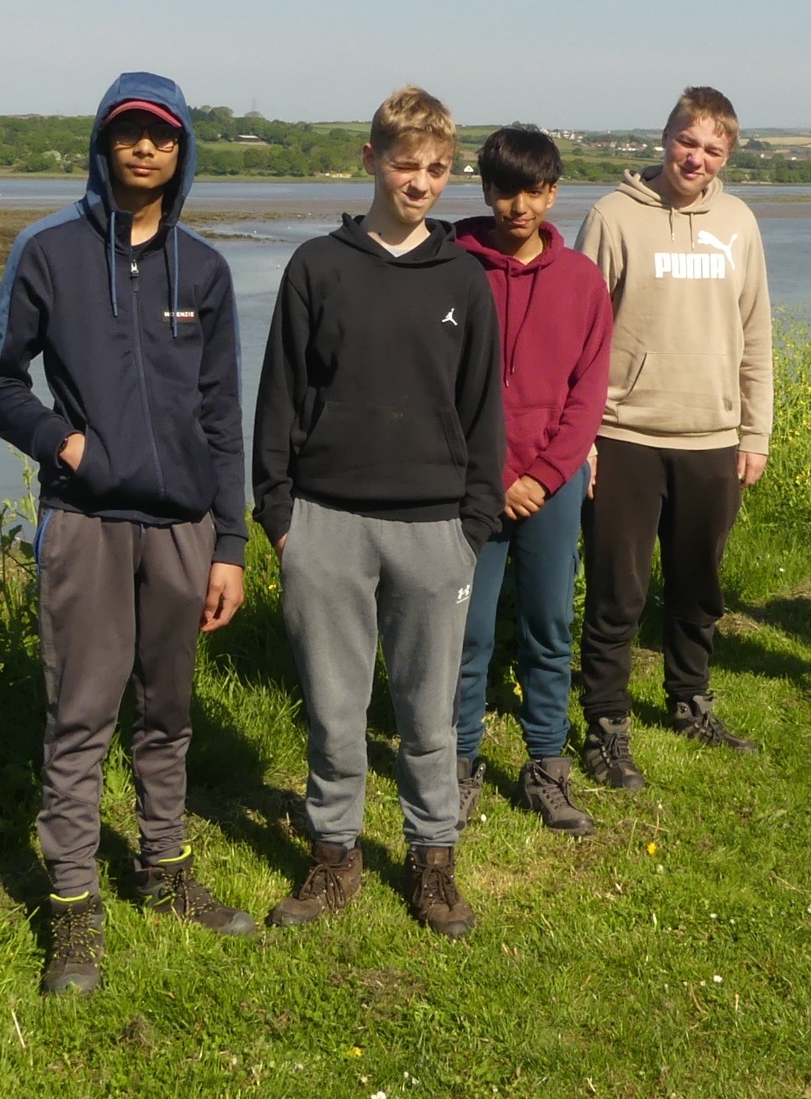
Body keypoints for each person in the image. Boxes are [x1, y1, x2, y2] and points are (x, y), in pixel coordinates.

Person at [0, 72, 254, 997]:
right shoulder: (48, 253)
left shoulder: (205, 272)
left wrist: (229, 545)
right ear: (103, 143)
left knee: (168, 715)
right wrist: (61, 441)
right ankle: (70, 908)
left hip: (182, 528)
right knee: (80, 715)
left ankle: (165, 872)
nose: (145, 149)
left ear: (183, 153)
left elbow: (222, 418)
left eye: (162, 137)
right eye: (128, 133)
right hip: (87, 522)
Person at [252, 86, 504, 939]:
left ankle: (433, 863)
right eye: (406, 164)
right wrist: (281, 518)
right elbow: (279, 398)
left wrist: (470, 529)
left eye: (437, 168)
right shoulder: (316, 269)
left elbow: (481, 414)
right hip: (324, 522)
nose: (422, 182)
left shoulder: (463, 278)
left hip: (434, 530)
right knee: (332, 708)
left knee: (428, 716)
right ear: (370, 160)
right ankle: (334, 857)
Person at [574, 86, 772, 787]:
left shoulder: (739, 223)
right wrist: (582, 440)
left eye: (712, 149)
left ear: (726, 156)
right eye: (687, 142)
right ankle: (605, 724)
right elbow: (581, 334)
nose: (696, 158)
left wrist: (757, 432)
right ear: (665, 139)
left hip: (713, 437)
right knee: (616, 592)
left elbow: (755, 333)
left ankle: (690, 700)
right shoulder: (611, 216)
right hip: (623, 433)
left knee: (697, 586)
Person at [453, 126, 613, 834]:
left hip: (551, 490)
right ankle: (456, 766)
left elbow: (588, 392)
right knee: (466, 633)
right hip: (472, 488)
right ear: (485, 189)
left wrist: (544, 478)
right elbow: (440, 388)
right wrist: (493, 474)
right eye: (504, 189)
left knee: (549, 628)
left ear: (554, 191)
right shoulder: (452, 264)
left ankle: (546, 765)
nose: (518, 205)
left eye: (535, 190)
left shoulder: (580, 280)